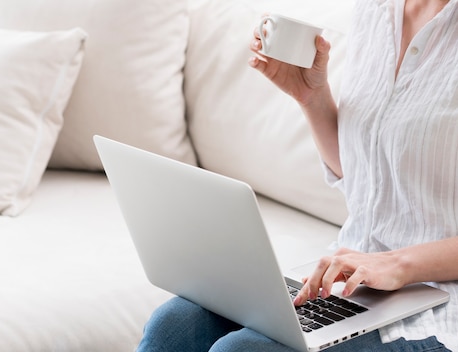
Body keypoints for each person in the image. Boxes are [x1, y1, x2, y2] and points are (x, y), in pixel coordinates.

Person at [136, 0, 458, 351]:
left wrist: (397, 264)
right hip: (353, 282)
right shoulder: (377, 10)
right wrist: (312, 97)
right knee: (173, 326)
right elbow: (372, 177)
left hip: (442, 303)